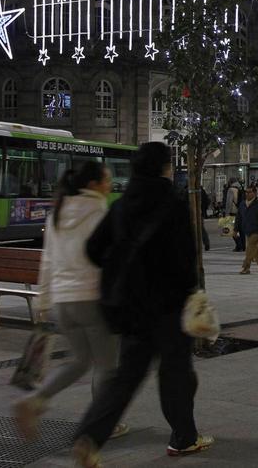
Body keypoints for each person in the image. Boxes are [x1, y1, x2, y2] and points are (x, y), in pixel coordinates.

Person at [73, 142, 210, 465]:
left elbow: (93, 249)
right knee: (175, 374)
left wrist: (121, 268)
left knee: (126, 377)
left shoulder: (120, 205)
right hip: (167, 307)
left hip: (131, 308)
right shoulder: (172, 204)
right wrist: (190, 291)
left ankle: (90, 438)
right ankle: (184, 438)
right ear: (163, 167)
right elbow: (185, 258)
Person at [14, 162, 127, 441]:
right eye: (106, 180)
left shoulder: (57, 214)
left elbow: (48, 261)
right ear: (92, 185)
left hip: (62, 304)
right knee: (107, 366)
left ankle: (35, 401)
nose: (110, 184)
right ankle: (101, 425)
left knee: (79, 361)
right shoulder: (100, 212)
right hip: (91, 299)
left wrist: (42, 303)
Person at [236, 187, 258, 274]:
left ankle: (246, 267)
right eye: (246, 192)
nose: (247, 194)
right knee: (254, 249)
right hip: (247, 229)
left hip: (257, 230)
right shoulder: (242, 204)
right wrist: (236, 228)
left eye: (249, 192)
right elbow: (238, 217)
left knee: (249, 248)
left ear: (254, 193)